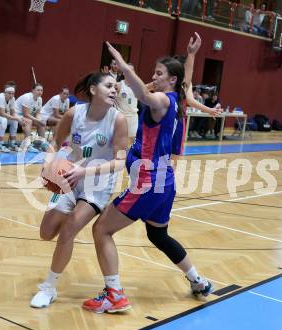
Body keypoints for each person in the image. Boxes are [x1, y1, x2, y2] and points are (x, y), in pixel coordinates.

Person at [83, 34, 216, 314]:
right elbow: (184, 81)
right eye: (153, 72)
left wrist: (121, 64)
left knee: (101, 229)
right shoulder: (175, 98)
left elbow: (144, 94)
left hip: (147, 182)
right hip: (164, 183)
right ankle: (198, 281)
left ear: (171, 81)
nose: (153, 76)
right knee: (159, 236)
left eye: (159, 73)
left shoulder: (162, 102)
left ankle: (115, 295)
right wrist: (191, 55)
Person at [30, 72, 128, 308]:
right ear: (93, 89)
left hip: (97, 182)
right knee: (46, 232)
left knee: (69, 230)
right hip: (69, 180)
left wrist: (83, 172)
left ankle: (49, 288)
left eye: (115, 87)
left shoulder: (118, 119)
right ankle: (54, 275)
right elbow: (54, 143)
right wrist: (49, 164)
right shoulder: (74, 114)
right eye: (108, 86)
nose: (114, 90)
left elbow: (120, 161)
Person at [0, 81, 24, 152]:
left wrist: (20, 119)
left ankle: (12, 144)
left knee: (15, 121)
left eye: (12, 93)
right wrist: (17, 118)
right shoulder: (1, 97)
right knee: (4, 120)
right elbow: (2, 114)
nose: (11, 95)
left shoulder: (12, 99)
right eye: (9, 93)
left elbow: (13, 113)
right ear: (5, 92)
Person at [14, 83, 48, 152]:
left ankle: (42, 143)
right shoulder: (27, 97)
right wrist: (38, 120)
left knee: (41, 123)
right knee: (29, 121)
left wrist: (40, 120)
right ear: (32, 90)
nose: (40, 92)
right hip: (16, 115)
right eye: (38, 90)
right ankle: (27, 145)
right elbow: (25, 114)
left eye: (41, 90)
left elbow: (37, 113)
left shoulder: (40, 99)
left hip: (28, 116)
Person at [114, 64, 139, 145]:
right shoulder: (118, 85)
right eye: (128, 70)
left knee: (131, 145)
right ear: (123, 73)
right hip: (121, 119)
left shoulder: (137, 86)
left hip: (134, 119)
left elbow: (150, 87)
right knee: (119, 145)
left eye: (132, 70)